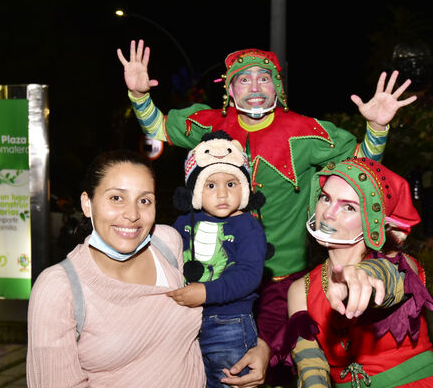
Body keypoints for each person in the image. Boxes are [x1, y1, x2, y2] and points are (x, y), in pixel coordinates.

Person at [117, 40, 417, 386]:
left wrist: (377, 128)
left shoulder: (306, 133)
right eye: (244, 80)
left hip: (284, 280)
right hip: (219, 281)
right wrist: (139, 95)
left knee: (278, 365)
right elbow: (157, 128)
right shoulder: (209, 123)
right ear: (229, 89)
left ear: (278, 86)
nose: (255, 87)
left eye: (265, 78)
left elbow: (361, 172)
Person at [26, 150, 205, 388]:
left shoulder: (167, 245)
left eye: (144, 200)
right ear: (87, 204)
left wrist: (262, 346)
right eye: (116, 198)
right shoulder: (58, 288)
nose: (132, 215)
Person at [286, 157, 433, 387]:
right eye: (325, 198)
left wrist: (366, 276)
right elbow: (310, 365)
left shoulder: (400, 263)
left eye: (348, 206)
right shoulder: (300, 290)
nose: (328, 213)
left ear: (372, 220)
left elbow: (393, 277)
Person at [167, 130, 267, 387]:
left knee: (230, 382)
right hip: (186, 322)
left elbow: (249, 274)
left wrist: (207, 293)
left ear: (244, 189)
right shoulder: (182, 222)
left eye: (231, 184)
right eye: (211, 185)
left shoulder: (248, 226)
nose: (222, 194)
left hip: (231, 323)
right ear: (196, 191)